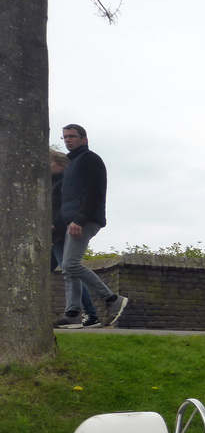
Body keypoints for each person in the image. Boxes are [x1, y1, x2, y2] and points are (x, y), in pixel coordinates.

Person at [55, 124, 130, 328]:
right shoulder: (71, 163)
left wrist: (80, 220)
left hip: (84, 220)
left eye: (72, 136)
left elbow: (95, 192)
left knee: (71, 263)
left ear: (84, 139)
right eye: (65, 137)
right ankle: (72, 313)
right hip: (72, 221)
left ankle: (112, 299)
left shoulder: (90, 159)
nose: (68, 140)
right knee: (68, 269)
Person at [50, 149, 101, 328]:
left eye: (49, 163)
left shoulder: (64, 182)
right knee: (65, 270)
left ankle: (90, 312)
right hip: (53, 234)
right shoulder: (51, 182)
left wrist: (54, 229)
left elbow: (64, 210)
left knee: (70, 269)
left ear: (60, 165)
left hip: (60, 233)